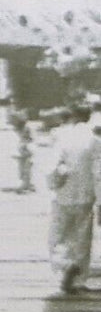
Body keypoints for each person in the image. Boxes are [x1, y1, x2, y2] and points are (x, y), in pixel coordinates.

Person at [48, 103, 97, 295]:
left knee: (58, 236)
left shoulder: (62, 137)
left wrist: (52, 184)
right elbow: (98, 172)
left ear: (73, 116)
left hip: (63, 194)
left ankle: (65, 264)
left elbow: (53, 166)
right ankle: (79, 278)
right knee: (83, 237)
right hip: (86, 196)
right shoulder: (94, 140)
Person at [13, 114, 35, 194]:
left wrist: (25, 143)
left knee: (26, 168)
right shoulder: (19, 129)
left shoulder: (27, 128)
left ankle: (26, 184)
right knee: (22, 168)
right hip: (22, 150)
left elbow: (30, 139)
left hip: (27, 150)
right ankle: (27, 184)